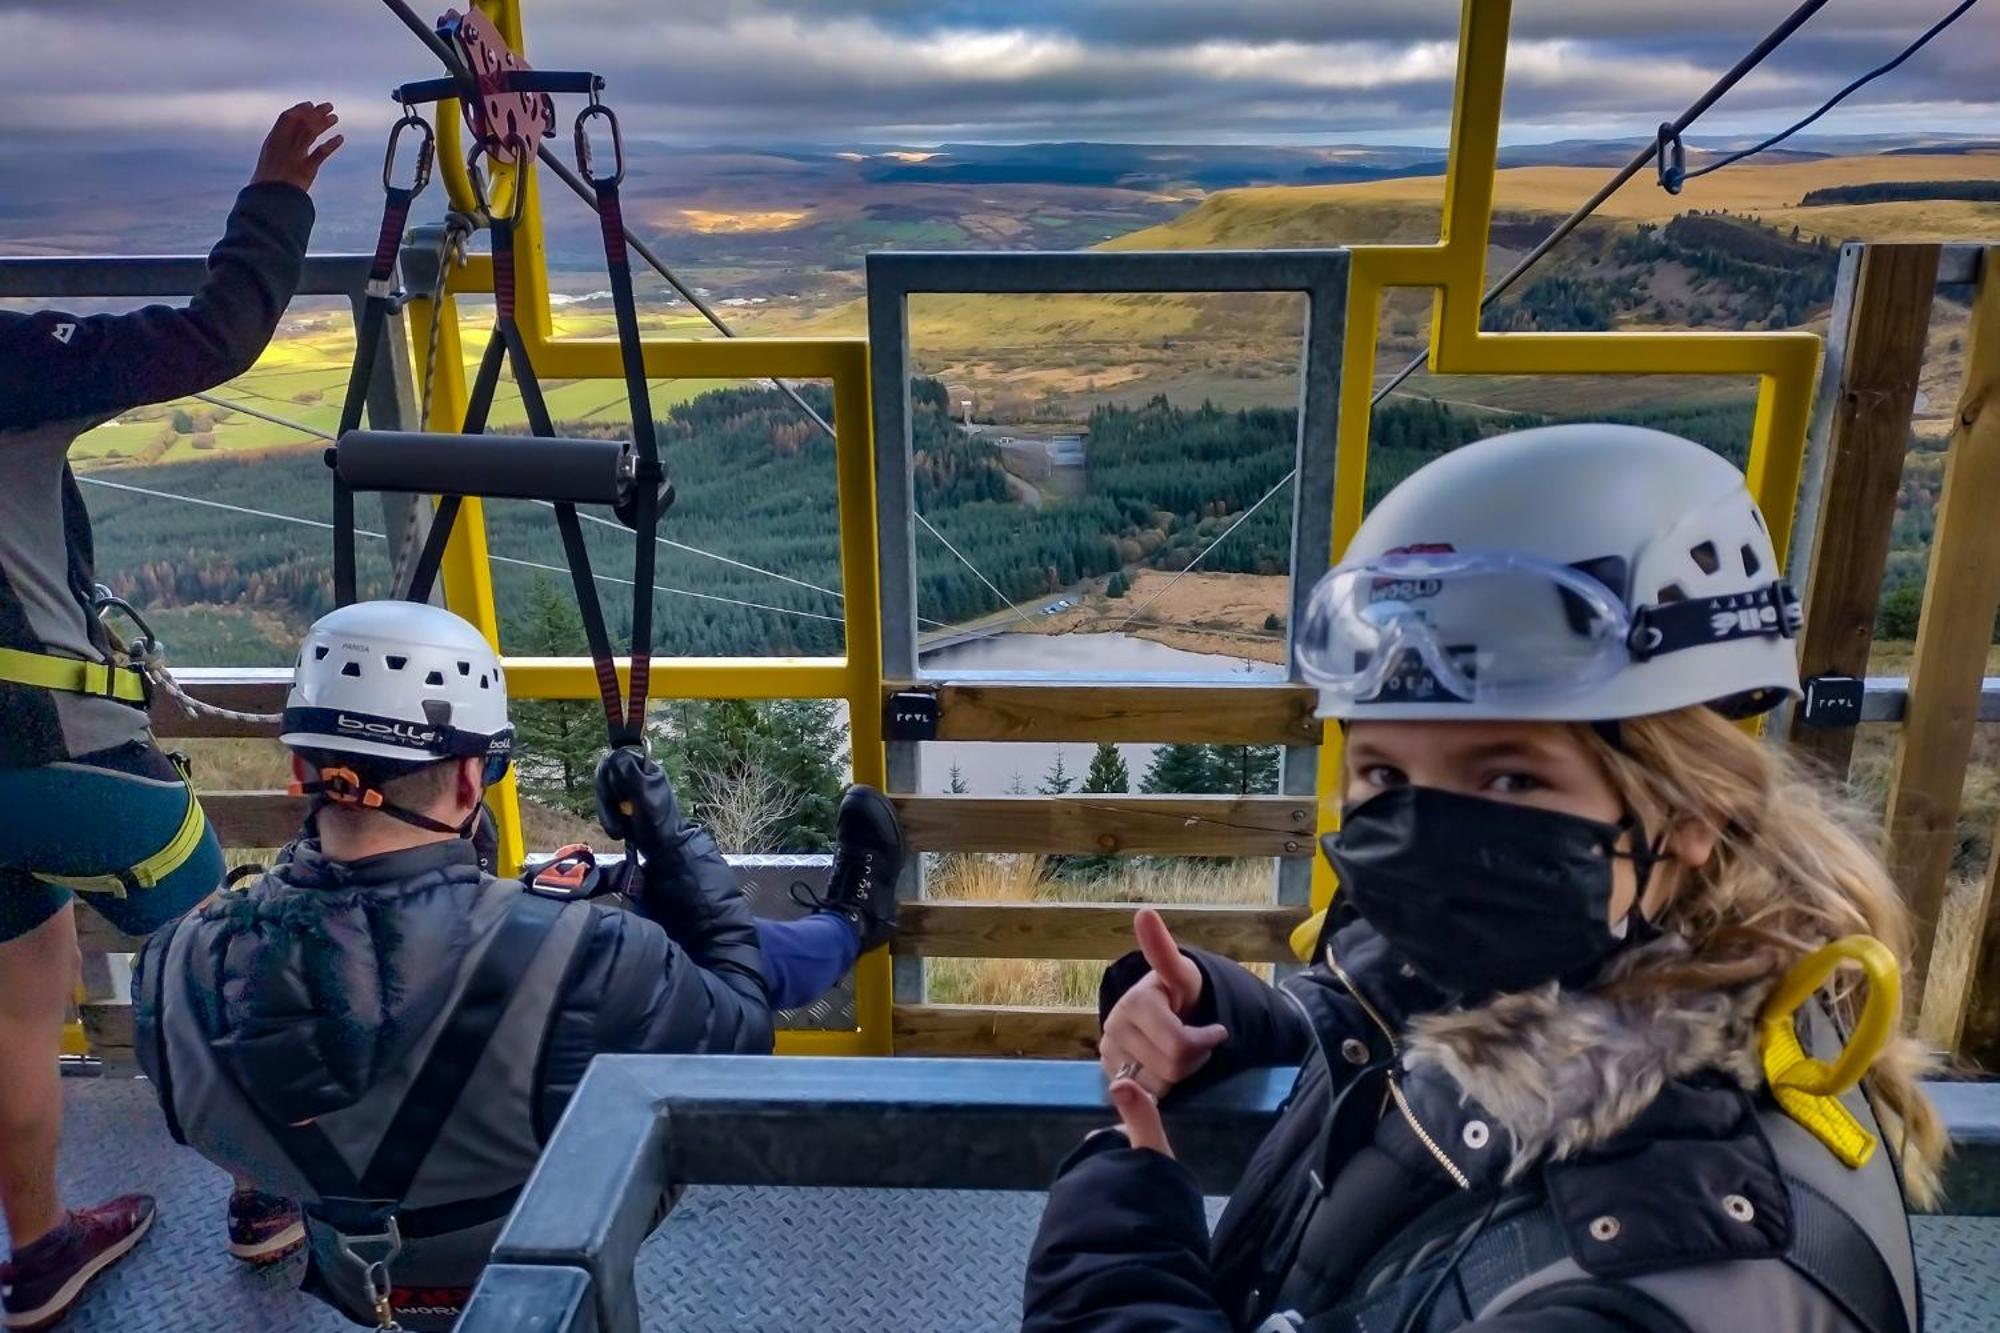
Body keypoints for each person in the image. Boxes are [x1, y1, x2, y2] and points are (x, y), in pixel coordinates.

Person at [1023, 424, 1944, 1333]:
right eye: (1383, 774)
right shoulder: (1628, 961)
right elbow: (1413, 1006)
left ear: (1691, 810)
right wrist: (1261, 1019)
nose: (1431, 833)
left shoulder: (1658, 1282)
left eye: (1510, 778)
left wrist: (1115, 1254)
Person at [130, 600, 900, 1330]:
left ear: (302, 765)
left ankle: (842, 925)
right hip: (547, 1237)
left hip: (356, 1269)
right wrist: (671, 844)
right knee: (669, 967)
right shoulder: (593, 957)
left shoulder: (176, 970)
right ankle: (850, 925)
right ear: (470, 779)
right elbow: (741, 1027)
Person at [0, 103, 344, 1332]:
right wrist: (276, 195)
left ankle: (38, 1250)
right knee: (220, 966)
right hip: (50, 748)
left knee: (19, 993)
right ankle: (268, 1195)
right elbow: (213, 334)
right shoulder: (8, 361)